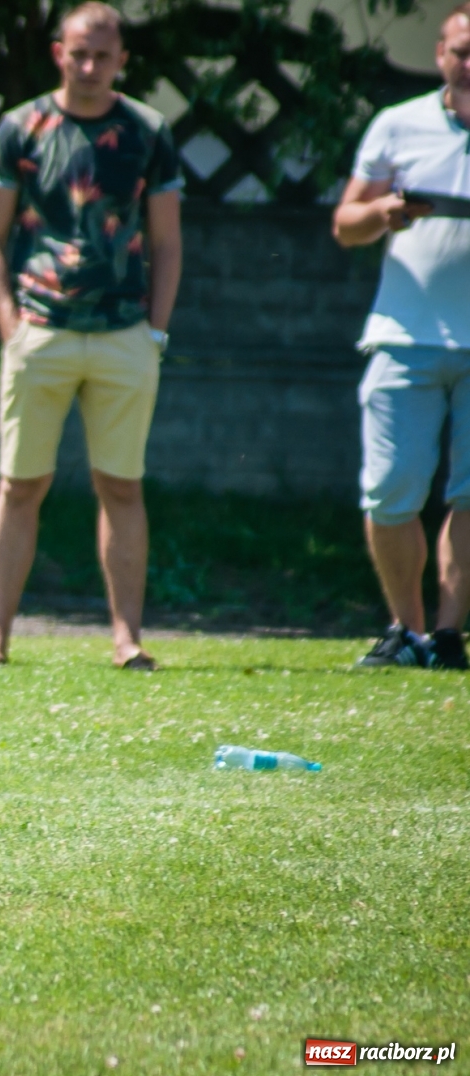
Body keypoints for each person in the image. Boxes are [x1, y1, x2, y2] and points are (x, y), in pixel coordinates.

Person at [0, 1, 183, 671]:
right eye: (78, 52)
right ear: (59, 51)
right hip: (40, 329)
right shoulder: (20, 127)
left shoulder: (149, 130)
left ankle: (127, 641)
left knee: (121, 487)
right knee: (18, 487)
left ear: (122, 59)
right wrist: (11, 326)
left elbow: (169, 241)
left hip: (125, 335)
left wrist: (155, 331)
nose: (89, 66)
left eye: (103, 55)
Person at [333, 1, 470, 670]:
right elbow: (345, 223)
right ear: (441, 54)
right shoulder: (398, 124)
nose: (469, 64)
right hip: (404, 334)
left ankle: (447, 636)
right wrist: (386, 210)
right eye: (461, 51)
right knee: (390, 490)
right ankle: (406, 631)